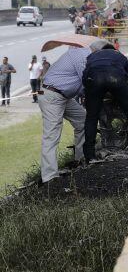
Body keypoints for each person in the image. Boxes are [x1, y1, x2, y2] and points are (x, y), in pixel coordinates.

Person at [82, 41, 128, 163]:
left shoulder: (92, 56)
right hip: (116, 79)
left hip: (94, 80)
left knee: (91, 117)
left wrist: (93, 92)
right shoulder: (120, 56)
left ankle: (89, 155)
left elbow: (85, 76)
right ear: (115, 50)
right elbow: (126, 76)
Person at [37, 46, 91, 182]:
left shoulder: (84, 55)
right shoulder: (81, 55)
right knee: (52, 135)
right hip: (52, 95)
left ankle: (80, 160)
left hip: (62, 96)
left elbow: (79, 86)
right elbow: (86, 81)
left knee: (83, 120)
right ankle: (49, 177)